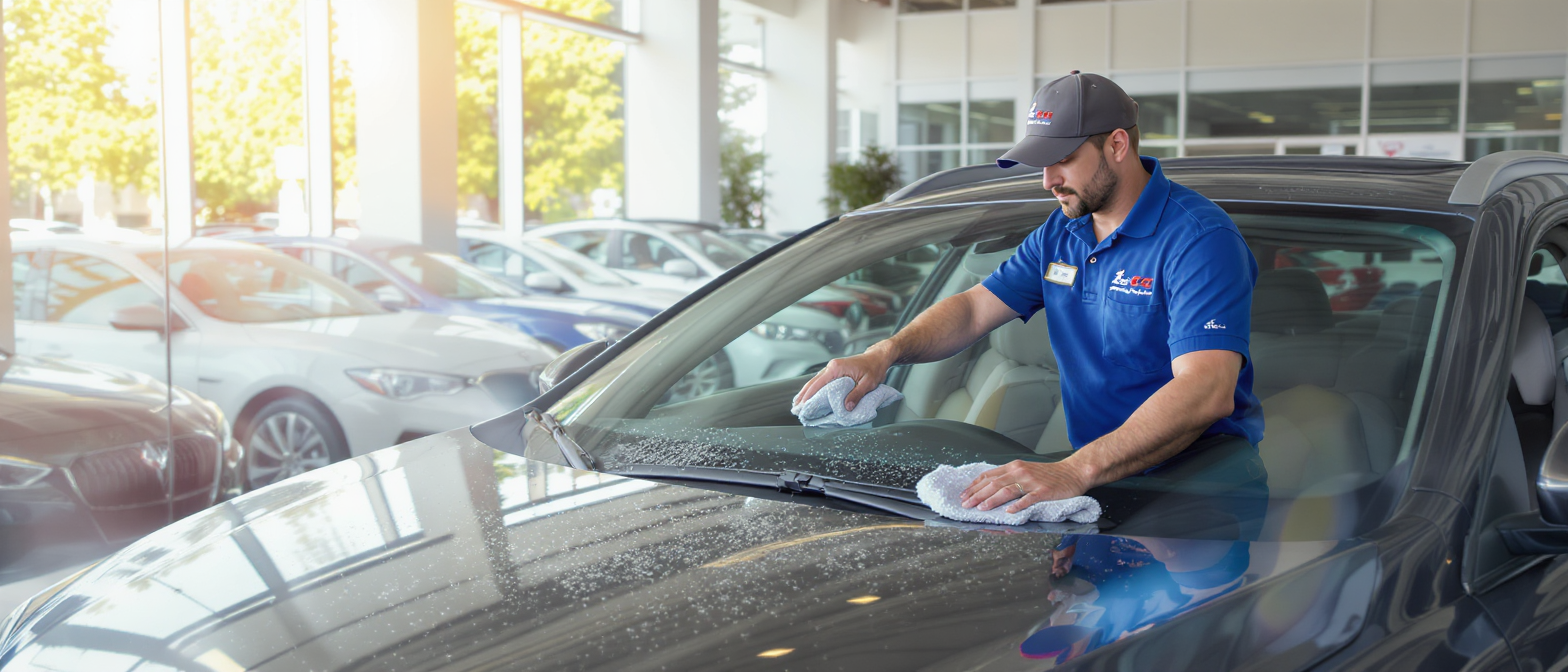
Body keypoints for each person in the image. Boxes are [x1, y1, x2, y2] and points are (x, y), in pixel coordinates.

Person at [794, 70, 1264, 514]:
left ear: (1117, 144)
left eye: (1062, 160)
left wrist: (1072, 471)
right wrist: (884, 353)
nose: (1047, 181)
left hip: (1199, 496)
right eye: (1042, 163)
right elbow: (974, 310)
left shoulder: (1199, 239)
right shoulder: (1061, 233)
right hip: (1095, 484)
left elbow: (1206, 388)